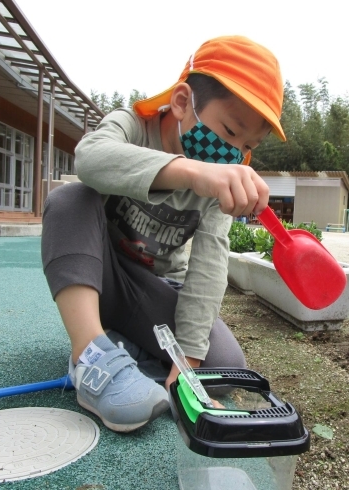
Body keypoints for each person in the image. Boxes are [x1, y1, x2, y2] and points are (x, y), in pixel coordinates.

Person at [41, 35, 286, 433]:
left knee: (224, 361)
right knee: (70, 200)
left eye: (246, 145)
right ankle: (89, 353)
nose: (234, 151)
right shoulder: (132, 125)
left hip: (147, 291)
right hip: (96, 276)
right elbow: (89, 158)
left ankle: (123, 346)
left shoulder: (218, 186)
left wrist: (186, 362)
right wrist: (194, 172)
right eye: (229, 131)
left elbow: (208, 269)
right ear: (182, 102)